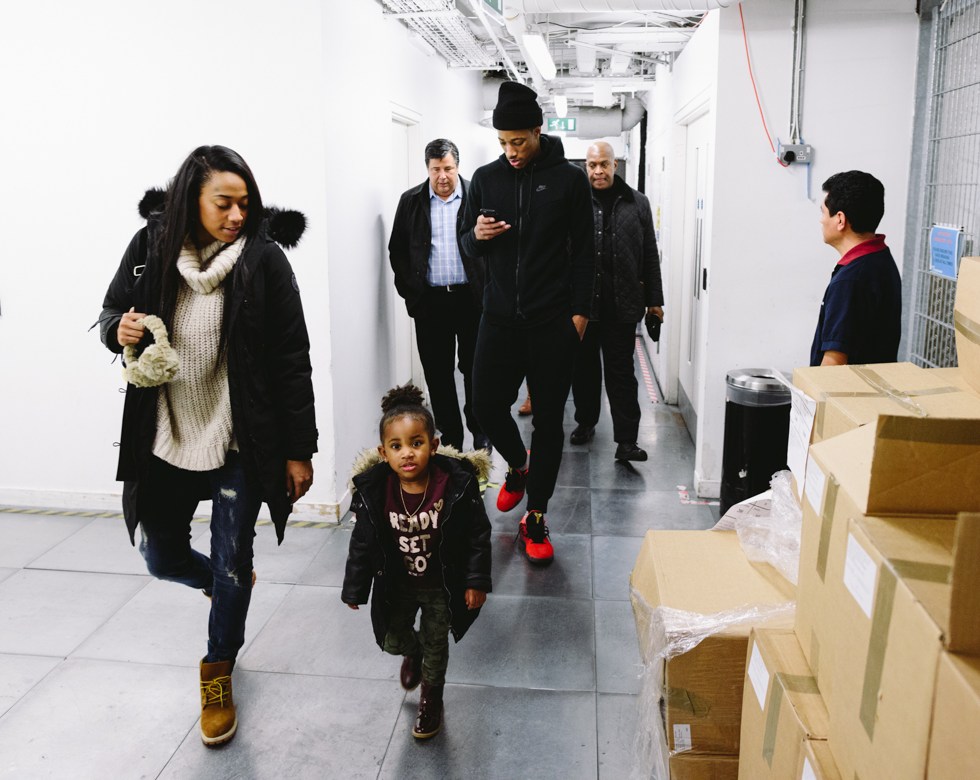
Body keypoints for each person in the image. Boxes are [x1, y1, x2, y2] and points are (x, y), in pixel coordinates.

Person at [98, 145, 317, 747]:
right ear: (191, 199)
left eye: (245, 203)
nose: (238, 215)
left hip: (240, 440)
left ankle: (218, 669)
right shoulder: (150, 248)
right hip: (164, 434)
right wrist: (119, 329)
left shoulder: (264, 260)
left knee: (232, 558)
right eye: (224, 203)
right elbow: (111, 312)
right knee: (160, 557)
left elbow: (291, 358)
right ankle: (221, 585)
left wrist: (300, 450)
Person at [459, 81, 595, 564]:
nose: (511, 151)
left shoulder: (568, 181)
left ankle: (536, 515)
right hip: (497, 318)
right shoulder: (485, 179)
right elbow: (466, 243)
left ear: (538, 130)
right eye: (503, 143)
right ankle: (518, 466)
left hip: (551, 321)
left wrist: (579, 314)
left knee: (549, 423)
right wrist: (477, 235)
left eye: (518, 141)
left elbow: (586, 252)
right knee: (483, 404)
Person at [342, 384, 491, 739]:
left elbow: (477, 535)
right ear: (383, 453)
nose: (407, 453)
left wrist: (476, 581)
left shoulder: (454, 484)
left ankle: (431, 699)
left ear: (433, 445)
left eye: (417, 443)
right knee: (392, 640)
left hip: (441, 585)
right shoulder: (376, 491)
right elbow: (362, 542)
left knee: (437, 645)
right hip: (399, 585)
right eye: (396, 446)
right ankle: (414, 652)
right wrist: (355, 587)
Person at [389, 139, 489, 453]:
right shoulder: (411, 201)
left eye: (448, 168)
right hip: (430, 303)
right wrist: (412, 294)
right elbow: (397, 250)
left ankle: (480, 431)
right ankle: (451, 439)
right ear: (428, 169)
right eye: (436, 169)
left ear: (457, 167)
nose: (442, 176)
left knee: (475, 369)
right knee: (437, 374)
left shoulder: (477, 196)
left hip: (472, 300)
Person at [570, 141, 664, 462]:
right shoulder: (576, 202)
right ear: (586, 167)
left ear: (614, 165)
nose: (598, 171)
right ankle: (585, 422)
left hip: (623, 306)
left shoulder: (637, 203)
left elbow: (649, 254)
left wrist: (655, 302)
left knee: (621, 373)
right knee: (584, 371)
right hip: (584, 307)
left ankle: (626, 441)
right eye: (592, 165)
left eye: (604, 164)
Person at [811, 170, 901, 366]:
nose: (821, 220)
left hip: (848, 386)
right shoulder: (880, 259)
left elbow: (834, 364)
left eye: (823, 212)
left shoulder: (851, 280)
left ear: (840, 220)